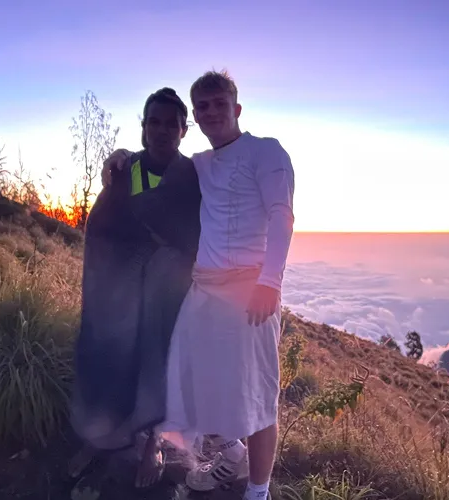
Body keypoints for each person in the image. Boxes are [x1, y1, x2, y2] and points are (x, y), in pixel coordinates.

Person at [102, 70, 295, 500]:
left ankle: (257, 492)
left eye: (218, 104)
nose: (211, 113)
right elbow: (153, 157)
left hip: (251, 292)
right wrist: (117, 154)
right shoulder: (199, 166)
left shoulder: (266, 153)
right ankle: (231, 453)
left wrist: (270, 281)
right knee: (187, 380)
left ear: (236, 109)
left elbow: (283, 215)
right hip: (203, 291)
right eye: (202, 106)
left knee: (259, 398)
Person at [69, 87, 202, 490]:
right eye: (154, 122)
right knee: (106, 357)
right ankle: (99, 439)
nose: (162, 130)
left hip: (165, 291)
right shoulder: (127, 170)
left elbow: (192, 236)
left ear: (183, 130)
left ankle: (153, 445)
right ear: (144, 128)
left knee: (158, 361)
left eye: (171, 124)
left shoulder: (191, 177)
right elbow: (103, 229)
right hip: (118, 289)